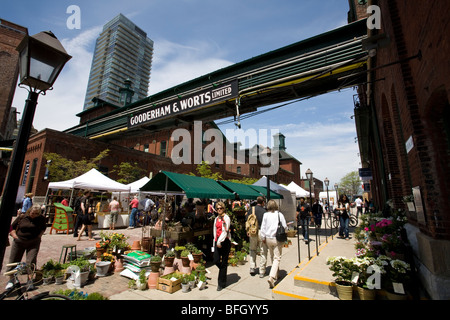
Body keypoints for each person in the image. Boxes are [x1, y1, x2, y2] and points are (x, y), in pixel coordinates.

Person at [5, 204, 46, 289]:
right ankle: (11, 280)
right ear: (29, 211)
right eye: (32, 213)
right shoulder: (23, 217)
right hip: (19, 241)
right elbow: (12, 227)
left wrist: (39, 236)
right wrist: (15, 236)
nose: (34, 215)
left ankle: (29, 280)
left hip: (33, 242)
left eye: (36, 213)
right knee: (14, 259)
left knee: (31, 261)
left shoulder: (41, 218)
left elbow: (43, 228)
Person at [260, 200, 287, 288]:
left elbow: (263, 227)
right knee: (277, 258)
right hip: (277, 238)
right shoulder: (279, 214)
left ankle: (276, 274)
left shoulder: (266, 215)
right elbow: (285, 226)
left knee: (272, 256)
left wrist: (263, 237)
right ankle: (271, 277)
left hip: (268, 238)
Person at [245, 196, 267, 277]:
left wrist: (248, 230)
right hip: (262, 232)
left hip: (253, 231)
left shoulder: (252, 209)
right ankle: (262, 270)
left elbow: (246, 219)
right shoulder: (265, 211)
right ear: (263, 202)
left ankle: (252, 267)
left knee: (252, 249)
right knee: (263, 251)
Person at [212, 201, 231, 291]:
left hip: (225, 241)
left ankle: (221, 283)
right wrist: (215, 242)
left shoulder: (226, 218)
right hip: (217, 241)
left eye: (221, 208)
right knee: (216, 260)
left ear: (223, 209)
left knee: (223, 261)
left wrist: (219, 241)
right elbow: (214, 230)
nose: (219, 210)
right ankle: (223, 272)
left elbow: (225, 231)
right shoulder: (216, 219)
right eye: (218, 208)